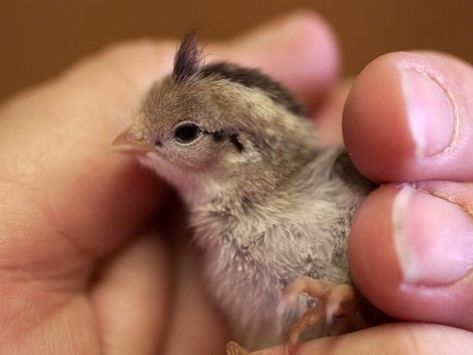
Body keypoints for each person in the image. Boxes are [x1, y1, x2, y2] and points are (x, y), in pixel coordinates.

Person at [1, 10, 472, 354]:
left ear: (243, 148)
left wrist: (358, 297)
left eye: (184, 133)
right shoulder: (205, 252)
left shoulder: (338, 181)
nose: (132, 141)